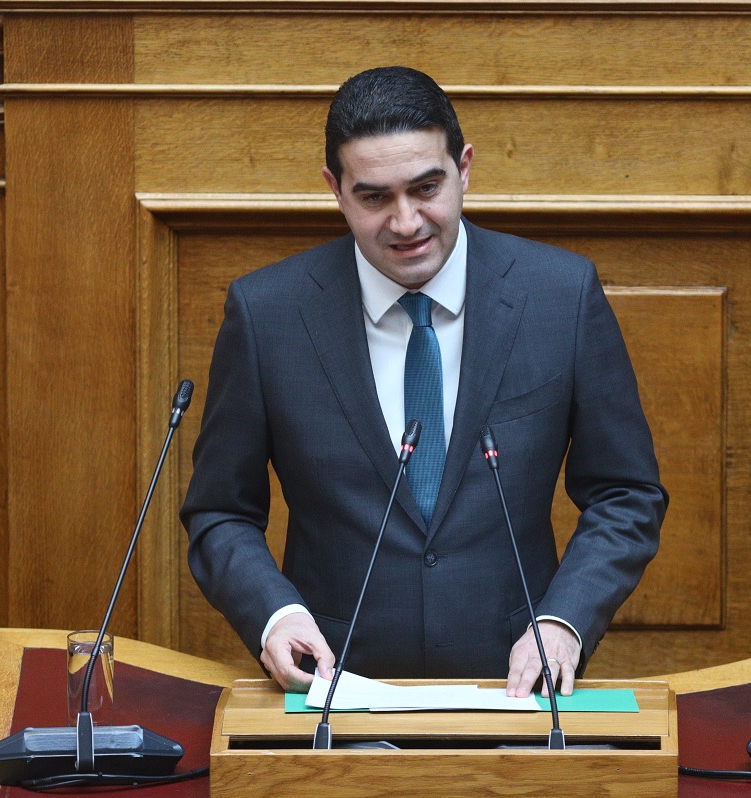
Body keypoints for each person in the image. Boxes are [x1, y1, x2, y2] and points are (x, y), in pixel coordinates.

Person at [180, 66, 667, 698]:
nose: (406, 222)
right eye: (374, 198)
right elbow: (220, 510)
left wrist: (564, 619)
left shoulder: (559, 296)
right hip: (334, 690)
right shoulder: (268, 313)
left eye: (426, 188)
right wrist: (275, 614)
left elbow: (626, 493)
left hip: (519, 691)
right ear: (335, 190)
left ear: (464, 169)